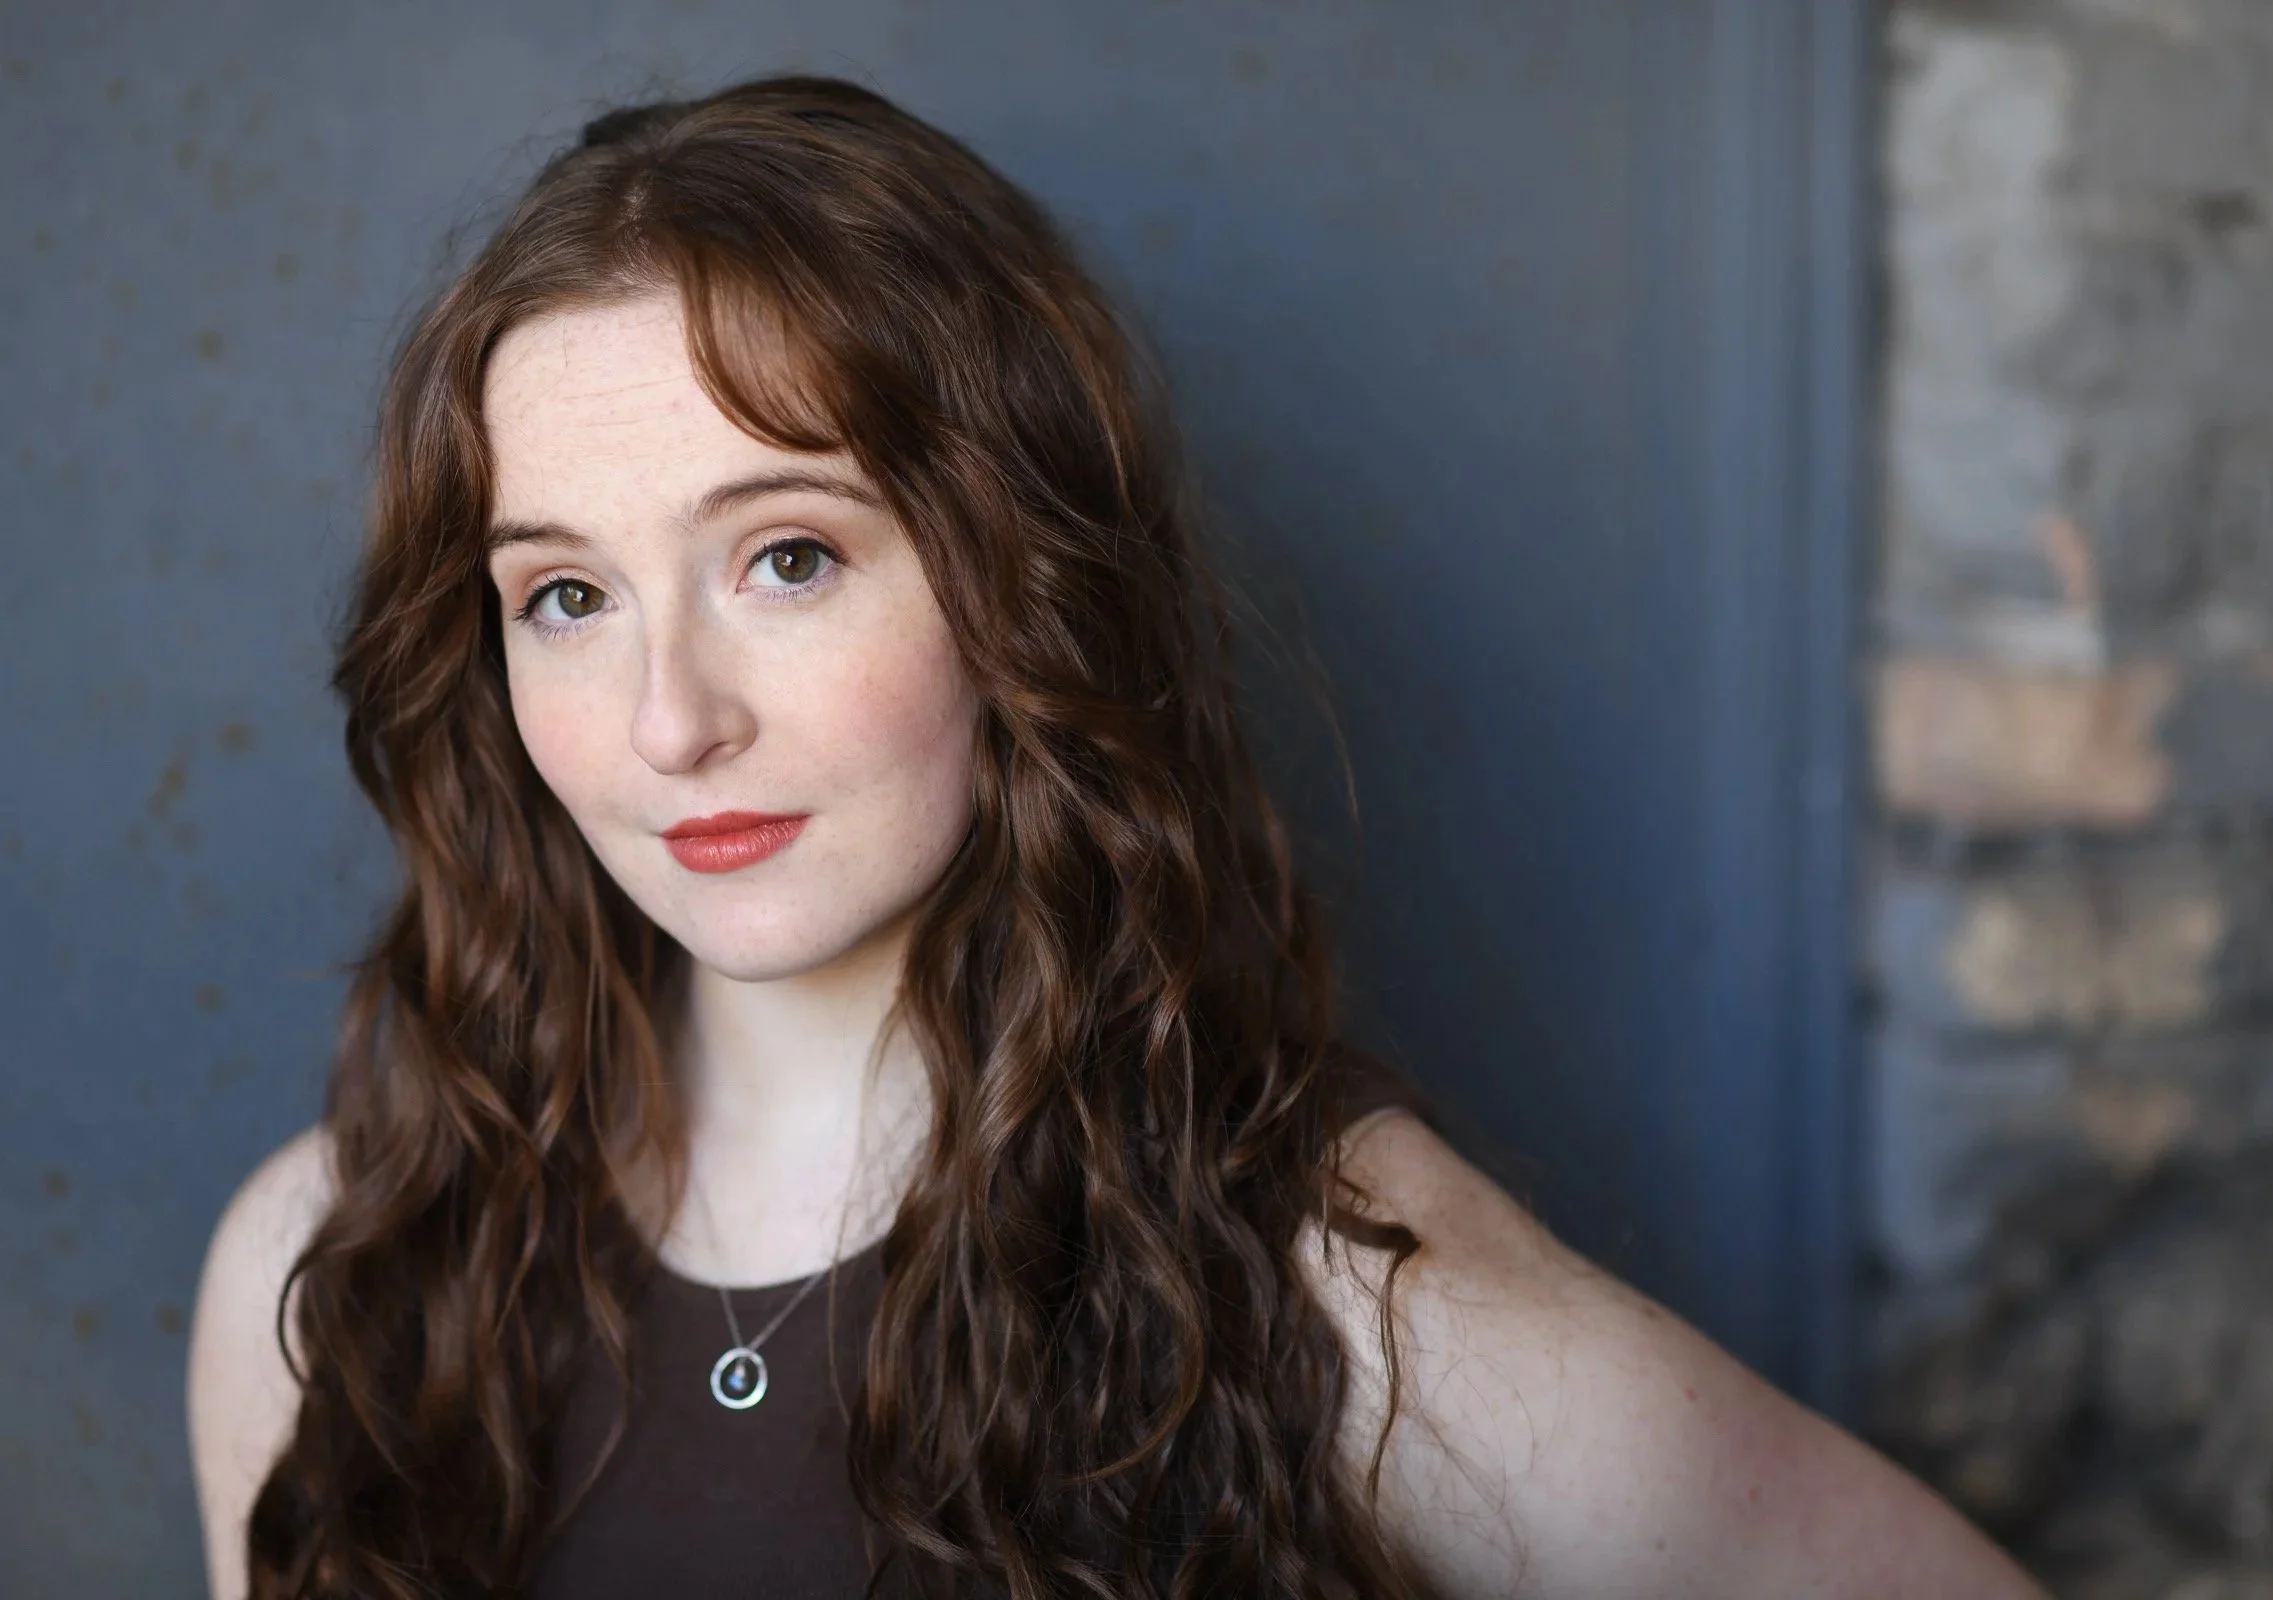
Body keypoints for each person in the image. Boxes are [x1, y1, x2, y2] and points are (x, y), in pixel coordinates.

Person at [186, 75, 2043, 1599]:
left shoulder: (1325, 1293)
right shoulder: (333, 1273)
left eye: (789, 557)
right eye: (567, 597)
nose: (673, 721)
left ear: (1020, 584)